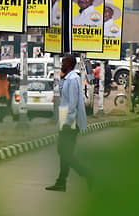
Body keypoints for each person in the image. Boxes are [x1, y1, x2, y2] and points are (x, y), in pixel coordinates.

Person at [45, 55, 92, 192]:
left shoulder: (72, 79)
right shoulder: (67, 78)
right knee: (65, 152)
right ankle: (61, 182)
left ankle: (87, 174)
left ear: (70, 64)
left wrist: (68, 122)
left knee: (64, 151)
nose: (61, 65)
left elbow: (73, 104)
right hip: (66, 118)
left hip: (70, 121)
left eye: (64, 62)